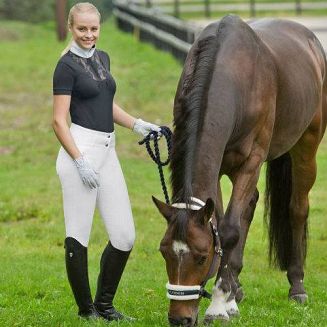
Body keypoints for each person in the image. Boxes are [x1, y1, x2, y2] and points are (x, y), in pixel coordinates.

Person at [52, 2, 160, 321]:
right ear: (72, 28)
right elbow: (58, 121)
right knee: (78, 234)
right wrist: (80, 160)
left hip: (108, 151)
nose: (89, 34)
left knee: (124, 236)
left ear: (100, 28)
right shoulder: (66, 66)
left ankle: (105, 304)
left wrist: (137, 123)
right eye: (82, 29)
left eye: (94, 28)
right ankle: (87, 311)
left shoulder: (102, 57)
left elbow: (106, 103)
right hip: (80, 151)